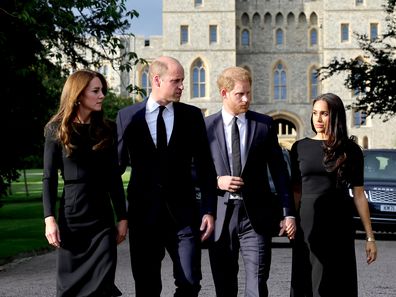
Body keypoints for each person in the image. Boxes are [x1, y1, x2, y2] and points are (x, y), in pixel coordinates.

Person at [116, 56, 217, 297]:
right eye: (177, 81)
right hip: (143, 216)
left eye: (182, 80)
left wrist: (208, 210)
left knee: (190, 281)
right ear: (157, 80)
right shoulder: (127, 116)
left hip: (184, 217)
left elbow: (205, 168)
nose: (183, 86)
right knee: (147, 287)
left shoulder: (192, 116)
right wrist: (119, 214)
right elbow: (115, 168)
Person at [205, 66, 296, 297]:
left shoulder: (264, 125)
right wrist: (217, 181)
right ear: (224, 93)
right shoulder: (206, 127)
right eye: (240, 94)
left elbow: (279, 172)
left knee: (257, 283)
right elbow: (191, 171)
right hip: (221, 216)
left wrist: (288, 213)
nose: (246, 99)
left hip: (256, 217)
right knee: (224, 286)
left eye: (249, 93)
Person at [42, 69, 128, 297]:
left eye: (103, 91)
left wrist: (123, 217)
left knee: (102, 286)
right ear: (79, 94)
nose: (102, 96)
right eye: (96, 91)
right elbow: (49, 178)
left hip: (102, 221)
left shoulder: (108, 129)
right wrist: (49, 219)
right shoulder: (55, 130)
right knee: (71, 289)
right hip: (72, 220)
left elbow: (113, 178)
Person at [289, 93, 377, 297]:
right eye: (315, 113)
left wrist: (370, 237)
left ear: (335, 116)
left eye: (324, 114)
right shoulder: (299, 147)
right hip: (307, 221)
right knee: (306, 277)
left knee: (337, 279)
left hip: (339, 221)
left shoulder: (351, 150)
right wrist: (290, 218)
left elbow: (359, 194)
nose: (318, 119)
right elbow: (295, 190)